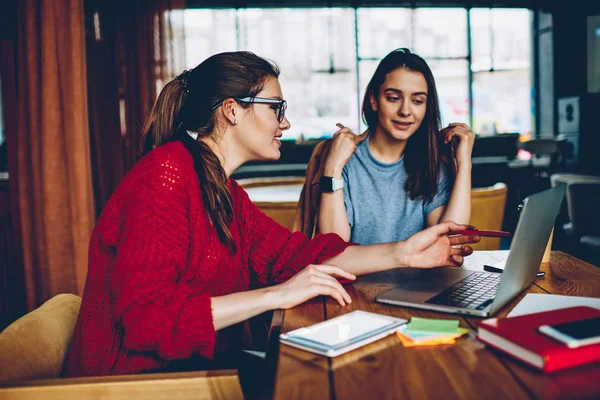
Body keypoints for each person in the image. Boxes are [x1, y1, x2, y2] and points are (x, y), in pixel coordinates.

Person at [63, 51, 478, 379]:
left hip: (194, 370)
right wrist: (276, 295)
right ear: (232, 110)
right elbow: (147, 320)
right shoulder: (166, 175)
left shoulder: (223, 191)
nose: (286, 122)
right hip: (136, 385)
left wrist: (405, 253)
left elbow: (297, 255)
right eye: (276, 108)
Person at [298, 48, 475, 245]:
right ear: (374, 100)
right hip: (356, 276)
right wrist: (332, 167)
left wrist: (464, 163)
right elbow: (333, 246)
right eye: (393, 98)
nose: (405, 111)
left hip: (422, 277)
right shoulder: (345, 160)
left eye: (417, 101)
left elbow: (451, 240)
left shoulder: (432, 163)